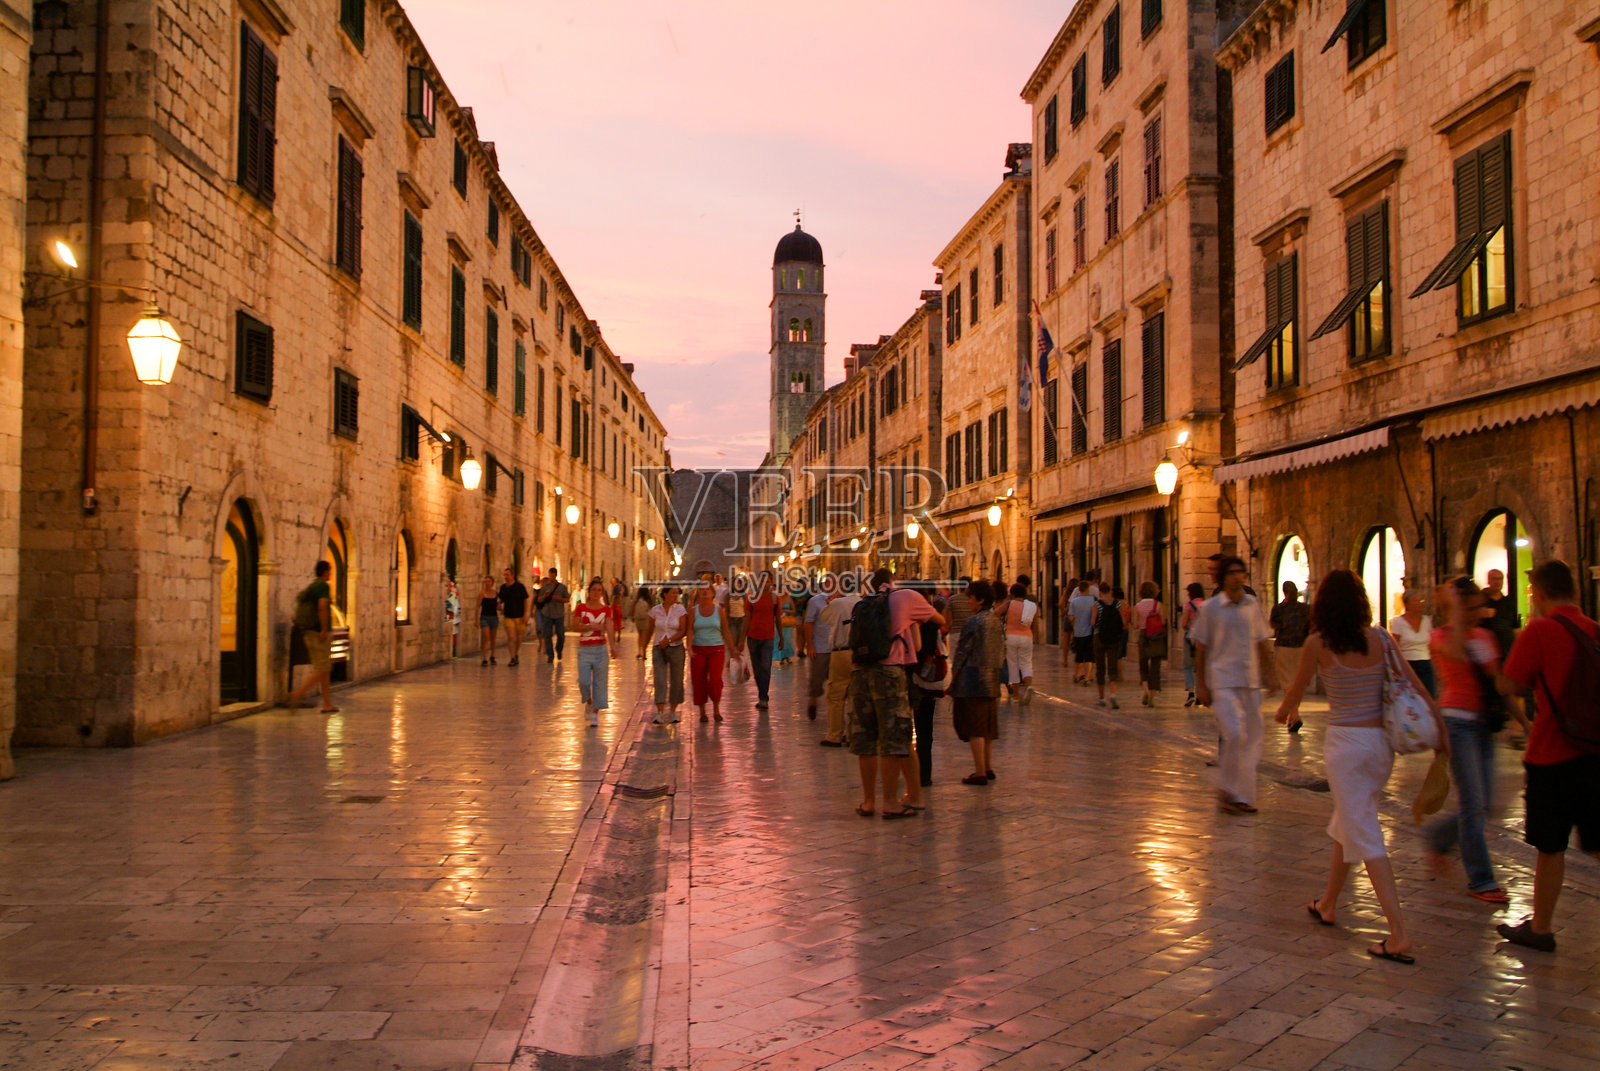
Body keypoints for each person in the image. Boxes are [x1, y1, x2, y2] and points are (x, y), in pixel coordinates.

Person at [1276, 568, 1447, 965]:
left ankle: (1399, 934)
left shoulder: (1318, 644)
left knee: (1366, 833)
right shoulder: (1382, 638)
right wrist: (1439, 726)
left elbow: (1293, 697)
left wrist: (1283, 712)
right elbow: (1416, 685)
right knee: (1349, 820)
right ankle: (1329, 903)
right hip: (1380, 747)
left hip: (1346, 748)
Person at [1494, 560, 1600, 953]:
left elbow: (1509, 682)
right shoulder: (1593, 630)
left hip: (1552, 755)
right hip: (1593, 751)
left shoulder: (1539, 630)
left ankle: (1540, 927)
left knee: (1550, 846)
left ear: (1538, 592)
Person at [1423, 577, 1511, 903]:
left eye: (1478, 607)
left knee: (1484, 804)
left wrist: (1523, 721)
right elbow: (1457, 655)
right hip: (1457, 726)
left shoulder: (1486, 637)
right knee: (1474, 806)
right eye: (1470, 608)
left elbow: (1497, 684)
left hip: (1484, 726)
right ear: (1455, 610)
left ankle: (1438, 837)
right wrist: (1458, 616)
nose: (1478, 614)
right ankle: (1482, 880)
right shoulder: (1440, 637)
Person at [849, 569, 941, 818]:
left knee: (866, 738)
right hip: (889, 672)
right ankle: (890, 802)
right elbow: (941, 621)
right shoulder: (906, 596)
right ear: (892, 582)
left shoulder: (863, 604)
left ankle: (868, 801)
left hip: (860, 672)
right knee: (894, 736)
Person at [1192, 556, 1277, 814]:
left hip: (1249, 680)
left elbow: (1262, 640)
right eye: (1232, 572)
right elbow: (1201, 647)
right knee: (1235, 734)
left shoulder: (1251, 604)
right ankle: (1228, 788)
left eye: (1241, 572)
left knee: (1252, 739)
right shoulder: (1211, 608)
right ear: (1223, 577)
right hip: (1223, 680)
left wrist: (1270, 674)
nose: (1237, 577)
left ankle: (1242, 795)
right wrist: (1202, 685)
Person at [950, 579, 1005, 786]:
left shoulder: (973, 622)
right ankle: (988, 766)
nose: (968, 602)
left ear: (980, 600)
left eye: (970, 598)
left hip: (972, 680)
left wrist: (954, 677)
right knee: (987, 728)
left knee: (975, 728)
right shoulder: (996, 621)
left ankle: (979, 771)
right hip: (991, 678)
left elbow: (962, 652)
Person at [907, 593, 946, 792]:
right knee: (925, 732)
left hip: (911, 679)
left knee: (905, 730)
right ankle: (925, 775)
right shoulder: (933, 623)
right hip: (929, 684)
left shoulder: (909, 621)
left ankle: (909, 773)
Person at [288, 560, 338, 713]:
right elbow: (322, 607)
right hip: (317, 633)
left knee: (324, 668)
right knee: (322, 668)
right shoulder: (323, 586)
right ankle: (297, 694)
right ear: (325, 572)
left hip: (308, 631)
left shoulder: (313, 585)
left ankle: (327, 703)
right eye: (329, 570)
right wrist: (323, 629)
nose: (330, 573)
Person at [817, 583, 860, 747]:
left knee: (835, 695)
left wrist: (831, 601)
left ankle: (834, 735)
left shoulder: (837, 603)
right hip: (857, 653)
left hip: (840, 652)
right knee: (853, 694)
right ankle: (852, 734)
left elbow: (825, 617)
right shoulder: (860, 602)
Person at [573, 579, 618, 726]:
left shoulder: (606, 610)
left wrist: (613, 647)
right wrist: (591, 626)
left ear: (602, 593)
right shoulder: (581, 608)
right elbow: (575, 625)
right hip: (585, 650)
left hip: (600, 650)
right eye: (594, 590)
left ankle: (594, 714)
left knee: (600, 683)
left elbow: (609, 627)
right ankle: (589, 701)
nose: (596, 593)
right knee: (584, 681)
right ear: (589, 591)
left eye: (599, 590)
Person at [689, 582, 734, 723]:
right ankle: (702, 712)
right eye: (702, 590)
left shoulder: (719, 611)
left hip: (716, 648)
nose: (704, 592)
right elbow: (690, 629)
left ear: (713, 593)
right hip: (698, 648)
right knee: (698, 680)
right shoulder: (693, 611)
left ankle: (716, 709)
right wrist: (688, 646)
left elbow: (726, 631)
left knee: (715, 679)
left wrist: (733, 650)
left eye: (707, 589)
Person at [643, 585, 688, 724]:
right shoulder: (655, 611)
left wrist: (669, 640)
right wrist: (643, 648)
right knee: (660, 680)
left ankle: (673, 711)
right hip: (658, 648)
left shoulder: (681, 610)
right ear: (665, 594)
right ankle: (660, 711)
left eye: (677, 593)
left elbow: (683, 631)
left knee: (676, 680)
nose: (676, 595)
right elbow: (650, 629)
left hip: (676, 648)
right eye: (673, 593)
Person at [1270, 581, 1313, 710]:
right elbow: (1310, 627)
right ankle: (1294, 713)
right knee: (1297, 683)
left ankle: (1294, 714)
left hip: (1285, 647)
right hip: (1300, 647)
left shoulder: (1279, 609)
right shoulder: (1305, 609)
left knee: (1288, 683)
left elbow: (1273, 625)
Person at [1389, 588, 1434, 695]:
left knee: (1428, 694)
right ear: (1407, 604)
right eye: (1415, 600)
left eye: (1420, 600)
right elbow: (1394, 646)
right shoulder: (1398, 622)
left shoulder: (1426, 621)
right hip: (1408, 664)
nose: (1419, 603)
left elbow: (1431, 643)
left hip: (1425, 663)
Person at [744, 572, 778, 708]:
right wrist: (741, 640)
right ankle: (761, 693)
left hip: (768, 637)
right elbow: (747, 618)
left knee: (766, 667)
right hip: (753, 637)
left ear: (771, 583)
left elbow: (778, 619)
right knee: (757, 669)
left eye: (768, 581)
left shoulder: (775, 598)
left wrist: (781, 637)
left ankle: (764, 698)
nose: (765, 583)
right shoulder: (751, 598)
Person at [1002, 582, 1040, 704]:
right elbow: (1035, 625)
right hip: (1027, 636)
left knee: (1013, 664)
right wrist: (1032, 637)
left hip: (1011, 636)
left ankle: (1016, 695)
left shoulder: (1009, 604)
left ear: (1012, 594)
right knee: (1026, 663)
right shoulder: (1032, 606)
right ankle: (1028, 685)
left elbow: (995, 613)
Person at [801, 582, 835, 721]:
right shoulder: (815, 601)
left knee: (836, 681)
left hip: (836, 647)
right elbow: (808, 623)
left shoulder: (840, 601)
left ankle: (834, 708)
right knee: (817, 678)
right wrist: (810, 645)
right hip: (820, 646)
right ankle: (813, 700)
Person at [1131, 581, 1167, 707]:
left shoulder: (1137, 606)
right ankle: (1152, 696)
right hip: (1156, 637)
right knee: (1155, 666)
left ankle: (1145, 690)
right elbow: (1162, 622)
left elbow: (1135, 625)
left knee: (1143, 664)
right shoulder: (1158, 605)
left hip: (1143, 636)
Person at [1092, 584, 1127, 709]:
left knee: (1100, 668)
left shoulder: (1097, 604)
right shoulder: (1117, 604)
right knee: (1113, 667)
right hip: (1114, 638)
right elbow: (1123, 622)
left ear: (1100, 592)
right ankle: (1113, 694)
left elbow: (1092, 622)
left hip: (1099, 637)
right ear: (1110, 591)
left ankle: (1101, 698)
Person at [1481, 568, 1520, 662]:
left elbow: (1515, 628)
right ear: (1488, 581)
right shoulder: (1482, 601)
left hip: (1506, 652)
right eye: (1494, 579)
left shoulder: (1509, 603)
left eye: (1500, 579)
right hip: (1488, 653)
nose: (1497, 582)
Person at [534, 569, 570, 663]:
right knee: (547, 635)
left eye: (553, 575)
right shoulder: (545, 587)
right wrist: (544, 596)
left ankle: (559, 650)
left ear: (556, 575)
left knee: (561, 635)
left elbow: (567, 599)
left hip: (558, 614)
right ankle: (550, 655)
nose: (551, 577)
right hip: (547, 613)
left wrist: (559, 599)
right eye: (550, 575)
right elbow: (539, 600)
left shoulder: (562, 587)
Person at [1068, 580, 1098, 687]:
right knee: (1089, 656)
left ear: (1079, 590)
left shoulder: (1074, 602)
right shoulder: (1094, 601)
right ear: (1088, 589)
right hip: (1090, 632)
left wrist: (1076, 624)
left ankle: (1076, 674)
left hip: (1078, 632)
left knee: (1079, 655)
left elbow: (1071, 616)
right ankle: (1087, 676)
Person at [498, 568, 530, 667]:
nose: (506, 577)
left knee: (519, 637)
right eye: (504, 575)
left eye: (507, 575)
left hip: (519, 615)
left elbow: (525, 600)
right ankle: (512, 657)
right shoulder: (503, 587)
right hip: (509, 615)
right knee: (511, 637)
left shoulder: (520, 587)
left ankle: (516, 654)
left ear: (512, 575)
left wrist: (526, 613)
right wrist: (499, 605)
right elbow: (501, 600)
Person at [1180, 582, 1205, 707]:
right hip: (1204, 639)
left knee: (1188, 666)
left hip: (1191, 639)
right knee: (1200, 667)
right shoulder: (1207, 605)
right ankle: (1200, 694)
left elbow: (1184, 624)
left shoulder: (1188, 606)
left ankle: (1191, 693)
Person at [477, 575, 500, 667]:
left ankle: (492, 656)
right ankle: (485, 658)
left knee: (493, 638)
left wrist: (500, 608)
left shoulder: (496, 593)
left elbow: (498, 605)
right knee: (486, 638)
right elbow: (477, 607)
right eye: (486, 581)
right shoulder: (481, 594)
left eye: (489, 581)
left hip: (494, 617)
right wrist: (476, 619)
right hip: (484, 617)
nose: (487, 583)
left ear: (492, 583)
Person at [775, 589, 799, 664]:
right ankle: (781, 656)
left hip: (788, 623)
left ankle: (787, 656)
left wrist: (786, 611)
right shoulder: (777, 599)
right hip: (780, 622)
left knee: (787, 639)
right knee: (779, 639)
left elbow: (794, 610)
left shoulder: (789, 599)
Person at [726, 574, 749, 648]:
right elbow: (727, 608)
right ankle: (734, 654)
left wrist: (747, 620)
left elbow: (746, 608)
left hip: (741, 619)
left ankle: (739, 655)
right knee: (733, 638)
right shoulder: (728, 595)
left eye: (739, 583)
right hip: (731, 619)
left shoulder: (744, 595)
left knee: (740, 640)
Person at [630, 586, 654, 657]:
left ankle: (639, 651)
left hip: (638, 619)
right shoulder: (648, 599)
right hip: (646, 619)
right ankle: (644, 652)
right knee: (644, 636)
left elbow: (633, 608)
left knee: (640, 635)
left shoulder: (637, 599)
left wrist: (633, 616)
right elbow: (651, 609)